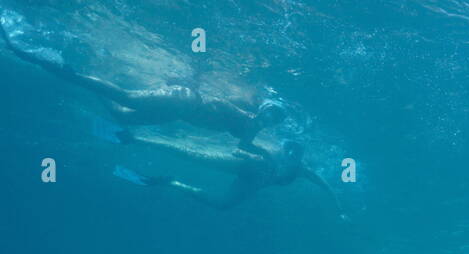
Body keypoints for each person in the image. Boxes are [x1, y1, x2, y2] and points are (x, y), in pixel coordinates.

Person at [1, 18, 286, 151]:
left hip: (179, 111)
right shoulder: (249, 120)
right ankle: (58, 68)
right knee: (127, 98)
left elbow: (243, 143)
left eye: (274, 117)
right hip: (184, 101)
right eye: (269, 111)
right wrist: (268, 153)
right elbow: (237, 125)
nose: (268, 118)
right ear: (264, 109)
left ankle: (83, 76)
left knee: (121, 115)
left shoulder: (252, 126)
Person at [113, 133, 345, 217]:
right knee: (191, 154)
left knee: (223, 205)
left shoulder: (302, 170)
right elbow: (238, 147)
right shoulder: (272, 150)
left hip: (251, 184)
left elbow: (325, 185)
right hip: (239, 166)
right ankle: (136, 138)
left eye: (296, 154)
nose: (291, 156)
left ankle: (172, 182)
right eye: (289, 151)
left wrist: (339, 208)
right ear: (284, 148)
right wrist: (250, 157)